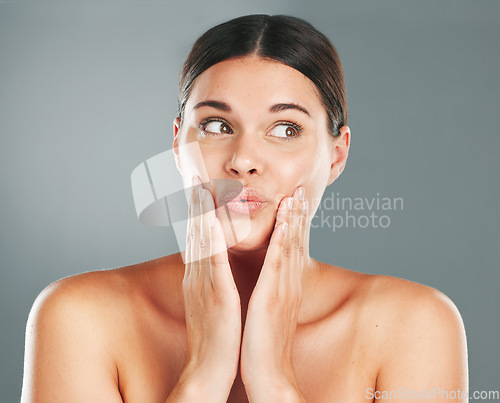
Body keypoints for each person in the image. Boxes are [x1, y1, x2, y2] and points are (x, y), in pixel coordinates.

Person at [21, 14, 468, 402]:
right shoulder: (79, 318)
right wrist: (203, 375)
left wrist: (273, 380)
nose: (243, 161)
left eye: (286, 129)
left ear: (336, 155)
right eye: (216, 125)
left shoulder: (416, 326)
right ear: (177, 144)